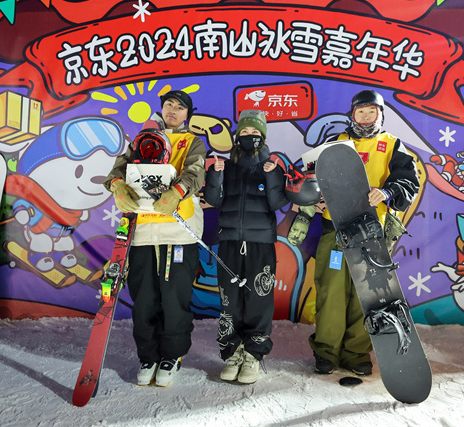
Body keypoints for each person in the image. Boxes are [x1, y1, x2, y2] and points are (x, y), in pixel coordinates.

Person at [308, 89, 420, 376]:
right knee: (331, 293)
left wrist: (387, 192)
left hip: (372, 234)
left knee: (368, 296)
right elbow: (311, 177)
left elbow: (410, 183)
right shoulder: (335, 143)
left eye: (372, 112)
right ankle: (326, 352)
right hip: (336, 230)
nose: (367, 117)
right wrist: (315, 198)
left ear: (381, 115)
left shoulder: (393, 145)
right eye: (361, 112)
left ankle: (356, 352)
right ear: (353, 114)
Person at [104, 90, 206, 387]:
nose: (173, 110)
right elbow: (117, 169)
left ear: (188, 114)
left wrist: (176, 192)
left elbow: (196, 173)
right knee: (144, 300)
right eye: (168, 105)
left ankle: (172, 355)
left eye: (180, 107)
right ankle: (148, 355)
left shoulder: (192, 142)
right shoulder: (142, 139)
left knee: (175, 299)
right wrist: (117, 186)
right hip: (142, 233)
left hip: (178, 232)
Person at [203, 110, 289, 384]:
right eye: (245, 132)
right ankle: (232, 353)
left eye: (255, 132)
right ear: (237, 135)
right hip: (229, 242)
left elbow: (278, 203)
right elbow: (214, 201)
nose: (249, 136)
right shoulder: (226, 166)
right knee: (229, 301)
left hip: (260, 244)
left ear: (262, 136)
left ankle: (253, 353)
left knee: (258, 300)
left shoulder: (273, 166)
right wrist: (215, 176)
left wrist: (272, 176)